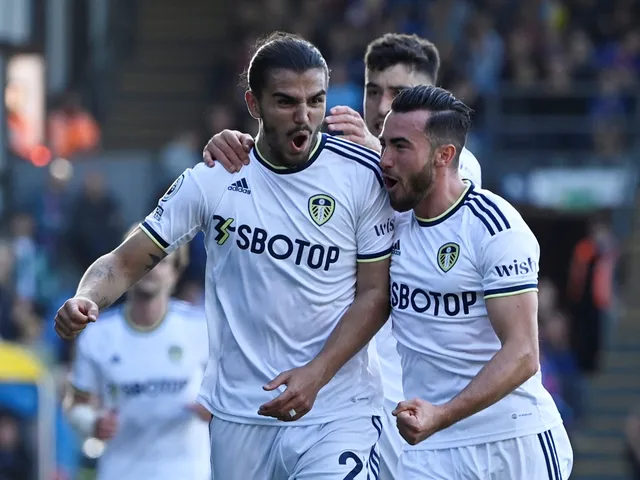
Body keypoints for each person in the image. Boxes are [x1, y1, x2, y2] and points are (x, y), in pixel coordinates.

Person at [55, 32, 394, 480]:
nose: (304, 117)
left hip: (336, 410)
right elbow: (123, 261)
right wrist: (87, 297)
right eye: (286, 102)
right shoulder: (215, 178)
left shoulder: (360, 175)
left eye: (315, 101)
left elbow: (375, 294)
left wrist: (317, 373)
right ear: (253, 104)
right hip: (240, 415)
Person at [202, 32, 482, 479]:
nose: (383, 105)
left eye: (399, 94)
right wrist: (235, 146)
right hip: (355, 386)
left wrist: (377, 154)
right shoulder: (339, 158)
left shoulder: (455, 168)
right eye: (373, 91)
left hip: (424, 389)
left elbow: (431, 193)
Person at [381, 85, 573, 479]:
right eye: (384, 144)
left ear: (444, 155)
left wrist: (443, 413)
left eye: (400, 147)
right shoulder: (387, 221)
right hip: (429, 447)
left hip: (511, 441)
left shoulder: (494, 228)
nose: (385, 159)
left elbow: (523, 352)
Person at [63, 225, 211, 480]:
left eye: (161, 261)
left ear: (176, 273)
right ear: (126, 268)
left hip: (188, 471)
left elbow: (231, 394)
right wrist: (93, 423)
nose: (151, 268)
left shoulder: (201, 328)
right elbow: (75, 405)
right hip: (121, 471)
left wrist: (214, 410)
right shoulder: (98, 335)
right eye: (143, 260)